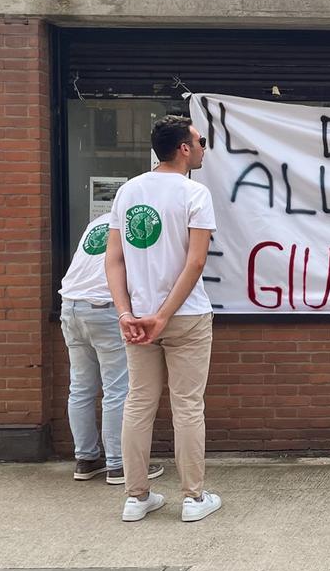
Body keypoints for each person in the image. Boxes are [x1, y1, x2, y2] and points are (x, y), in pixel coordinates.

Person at [106, 115, 221, 523]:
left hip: (137, 318)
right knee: (188, 405)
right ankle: (192, 498)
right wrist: (164, 315)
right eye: (201, 140)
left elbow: (114, 260)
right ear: (184, 148)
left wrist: (127, 312)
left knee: (138, 402)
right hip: (184, 316)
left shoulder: (127, 192)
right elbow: (196, 262)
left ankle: (136, 497)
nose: (204, 147)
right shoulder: (195, 193)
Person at [59, 213, 162, 485]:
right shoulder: (137, 224)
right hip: (104, 308)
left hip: (71, 305)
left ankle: (86, 460)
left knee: (80, 387)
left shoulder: (98, 222)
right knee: (117, 389)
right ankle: (118, 464)